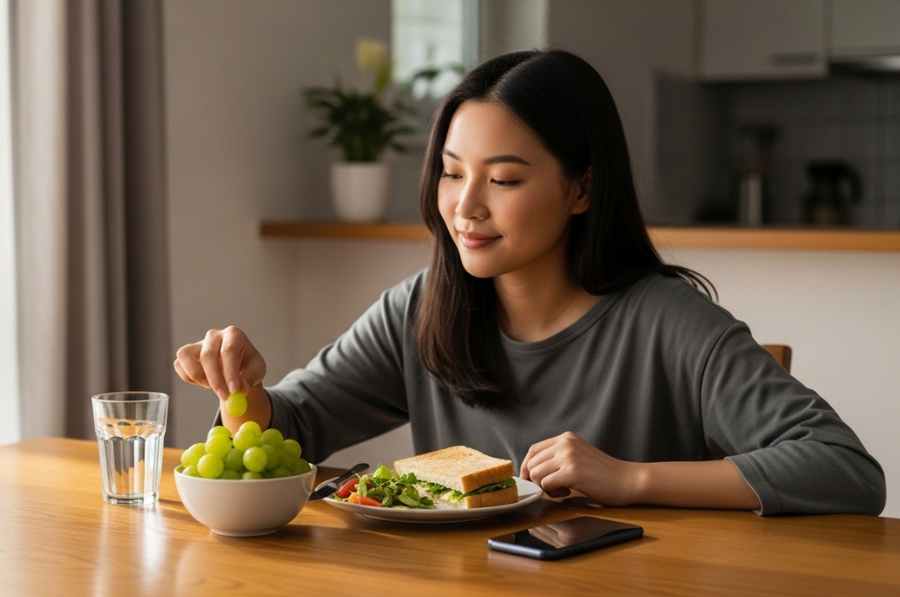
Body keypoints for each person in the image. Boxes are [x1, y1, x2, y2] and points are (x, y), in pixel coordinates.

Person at [174, 49, 885, 516]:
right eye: (452, 173)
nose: (465, 207)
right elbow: (290, 430)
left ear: (582, 189)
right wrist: (242, 390)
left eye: (505, 180)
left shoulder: (668, 320)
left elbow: (845, 469)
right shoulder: (420, 309)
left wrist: (630, 478)